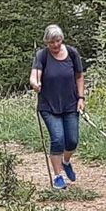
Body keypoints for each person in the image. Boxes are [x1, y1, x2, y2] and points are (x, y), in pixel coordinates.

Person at [29, 24, 86, 189]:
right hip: (48, 105)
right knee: (58, 139)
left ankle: (65, 161)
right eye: (51, 42)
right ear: (47, 42)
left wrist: (81, 98)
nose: (55, 45)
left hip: (70, 103)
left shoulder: (72, 53)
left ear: (62, 40)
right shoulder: (42, 56)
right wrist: (35, 84)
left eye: (58, 41)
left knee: (72, 141)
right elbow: (34, 76)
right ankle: (58, 177)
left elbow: (79, 76)